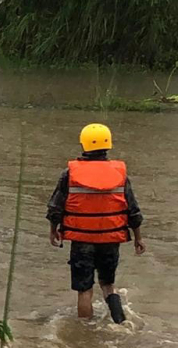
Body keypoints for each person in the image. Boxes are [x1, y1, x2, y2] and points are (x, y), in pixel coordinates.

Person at [46, 123, 145, 324]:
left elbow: (55, 208)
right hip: (111, 238)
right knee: (108, 285)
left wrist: (53, 230)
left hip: (81, 240)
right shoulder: (120, 174)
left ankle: (85, 334)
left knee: (84, 290)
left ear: (83, 145)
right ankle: (121, 323)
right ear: (108, 145)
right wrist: (138, 238)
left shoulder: (70, 173)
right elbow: (132, 210)